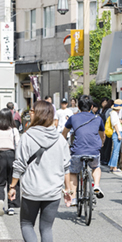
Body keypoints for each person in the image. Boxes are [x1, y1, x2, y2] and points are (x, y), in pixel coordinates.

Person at [8, 100, 72, 242]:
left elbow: (19, 165)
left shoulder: (27, 137)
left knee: (26, 224)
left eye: (32, 111)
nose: (30, 113)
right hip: (53, 191)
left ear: (38, 114)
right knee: (47, 228)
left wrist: (12, 187)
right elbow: (66, 166)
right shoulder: (61, 140)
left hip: (32, 190)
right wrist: (67, 190)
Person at [62, 95, 106, 204]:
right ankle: (96, 185)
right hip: (94, 150)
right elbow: (102, 135)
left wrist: (64, 144)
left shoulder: (73, 118)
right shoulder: (98, 118)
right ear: (92, 106)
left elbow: (64, 133)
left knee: (73, 172)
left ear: (78, 106)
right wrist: (101, 143)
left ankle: (74, 198)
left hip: (77, 151)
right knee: (96, 167)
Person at [0, 108, 20, 216]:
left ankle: (0, 201)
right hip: (11, 155)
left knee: (0, 182)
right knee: (12, 181)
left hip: (0, 156)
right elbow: (18, 144)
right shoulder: (14, 130)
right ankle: (11, 206)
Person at [108, 99, 122, 172]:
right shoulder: (114, 113)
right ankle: (114, 167)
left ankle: (112, 166)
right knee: (116, 151)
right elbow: (115, 125)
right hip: (117, 132)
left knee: (115, 150)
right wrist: (118, 134)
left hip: (116, 132)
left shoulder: (113, 113)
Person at [100, 99, 114, 165]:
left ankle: (103, 159)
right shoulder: (110, 111)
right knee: (108, 145)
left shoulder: (104, 110)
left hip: (103, 129)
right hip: (108, 130)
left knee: (104, 145)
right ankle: (106, 159)